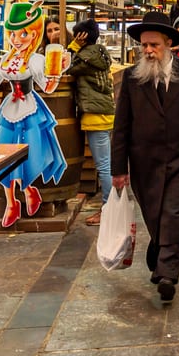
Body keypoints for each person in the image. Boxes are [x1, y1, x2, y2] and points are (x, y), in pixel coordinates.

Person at [111, 11, 179, 303]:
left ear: (169, 44)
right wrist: (119, 169)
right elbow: (121, 126)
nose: (148, 51)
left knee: (174, 211)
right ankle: (158, 251)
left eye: (154, 45)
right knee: (154, 214)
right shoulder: (132, 78)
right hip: (144, 162)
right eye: (144, 46)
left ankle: (168, 274)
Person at [0, 1, 70, 227]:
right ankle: (11, 202)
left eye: (23, 33)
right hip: (9, 108)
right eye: (13, 34)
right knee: (3, 152)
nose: (17, 39)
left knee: (29, 153)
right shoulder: (7, 57)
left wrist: (58, 71)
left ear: (34, 34)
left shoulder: (37, 60)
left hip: (30, 108)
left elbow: (47, 88)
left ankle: (29, 191)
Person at [69, 18, 115, 227]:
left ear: (82, 36)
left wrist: (73, 47)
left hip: (95, 115)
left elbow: (64, 67)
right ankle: (113, 204)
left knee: (104, 166)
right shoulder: (99, 52)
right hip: (105, 112)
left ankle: (109, 209)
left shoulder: (85, 57)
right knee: (107, 164)